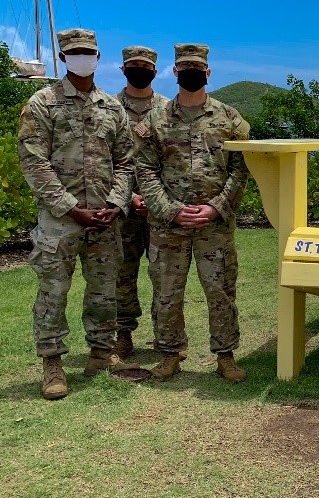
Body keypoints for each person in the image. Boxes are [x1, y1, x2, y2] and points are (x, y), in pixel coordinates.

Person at [17, 28, 137, 399]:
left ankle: (101, 353)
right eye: (75, 51)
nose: (83, 56)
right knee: (54, 291)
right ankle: (52, 363)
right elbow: (34, 163)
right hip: (60, 221)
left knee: (103, 291)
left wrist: (116, 204)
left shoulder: (111, 107)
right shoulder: (42, 103)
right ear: (63, 56)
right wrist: (72, 209)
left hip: (104, 217)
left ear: (98, 58)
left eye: (89, 51)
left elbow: (127, 161)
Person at [134, 43, 251, 383]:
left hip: (214, 226)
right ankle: (170, 354)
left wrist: (216, 207)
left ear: (208, 73)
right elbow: (145, 171)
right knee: (167, 292)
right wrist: (171, 210)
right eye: (184, 68)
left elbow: (241, 171)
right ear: (174, 72)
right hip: (168, 226)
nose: (191, 73)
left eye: (197, 68)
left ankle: (225, 356)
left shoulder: (230, 119)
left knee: (221, 291)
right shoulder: (155, 120)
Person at [114, 46, 169, 358]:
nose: (139, 69)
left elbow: (175, 161)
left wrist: (157, 198)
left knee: (165, 274)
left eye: (144, 65)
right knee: (122, 273)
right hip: (123, 209)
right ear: (123, 69)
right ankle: (123, 335)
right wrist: (128, 197)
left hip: (160, 210)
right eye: (133, 65)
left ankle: (167, 337)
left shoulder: (168, 109)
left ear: (154, 71)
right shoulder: (109, 108)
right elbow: (103, 160)